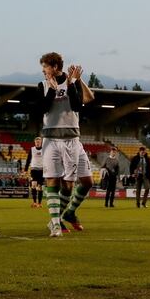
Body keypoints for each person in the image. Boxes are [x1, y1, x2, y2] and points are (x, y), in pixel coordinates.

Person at [37, 53, 95, 236]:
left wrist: (74, 82)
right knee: (53, 180)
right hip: (51, 139)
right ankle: (55, 223)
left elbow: (80, 104)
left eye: (45, 67)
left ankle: (68, 213)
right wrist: (53, 90)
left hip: (72, 139)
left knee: (78, 184)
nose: (43, 71)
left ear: (54, 67)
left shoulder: (71, 82)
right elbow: (42, 108)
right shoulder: (42, 85)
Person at [26, 136, 44, 208]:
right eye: (36, 142)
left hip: (42, 170)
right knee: (33, 185)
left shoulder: (44, 149)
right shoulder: (32, 149)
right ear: (35, 142)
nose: (37, 143)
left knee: (40, 187)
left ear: (41, 142)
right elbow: (28, 159)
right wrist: (25, 169)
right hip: (33, 169)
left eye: (39, 142)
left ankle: (39, 203)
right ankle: (34, 202)